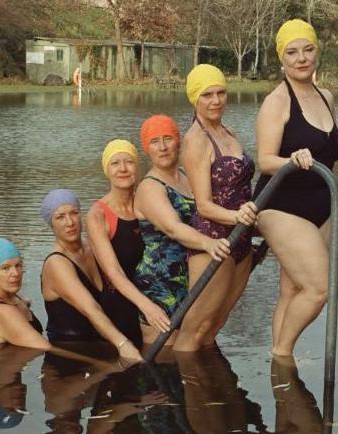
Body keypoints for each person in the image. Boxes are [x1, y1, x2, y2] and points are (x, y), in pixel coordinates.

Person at [253, 19, 338, 356]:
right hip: (282, 204)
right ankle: (282, 354)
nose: (301, 58)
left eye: (307, 50)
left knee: (293, 290)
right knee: (318, 289)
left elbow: (328, 144)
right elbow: (264, 160)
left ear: (316, 53)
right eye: (292, 52)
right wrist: (292, 158)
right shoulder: (277, 102)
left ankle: (281, 364)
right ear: (282, 59)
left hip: (321, 204)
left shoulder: (326, 97)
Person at [175, 64, 258, 352]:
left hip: (243, 238)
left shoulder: (229, 132)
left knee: (216, 324)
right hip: (215, 240)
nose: (216, 101)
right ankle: (179, 387)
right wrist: (237, 216)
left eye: (221, 93)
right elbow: (204, 205)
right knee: (195, 328)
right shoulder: (195, 141)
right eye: (207, 95)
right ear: (195, 99)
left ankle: (209, 389)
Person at [133, 115, 231, 344]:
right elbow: (174, 228)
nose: (163, 147)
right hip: (161, 284)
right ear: (147, 149)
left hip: (191, 275)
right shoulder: (149, 187)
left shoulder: (187, 177)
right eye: (155, 141)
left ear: (178, 141)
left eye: (168, 138)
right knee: (166, 354)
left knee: (195, 342)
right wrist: (209, 243)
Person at [40, 189, 143, 361]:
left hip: (102, 342)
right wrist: (123, 345)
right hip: (74, 352)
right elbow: (91, 309)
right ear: (51, 224)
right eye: (60, 217)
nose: (70, 222)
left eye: (74, 213)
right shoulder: (56, 264)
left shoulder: (92, 248)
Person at [86, 139, 171, 349]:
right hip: (121, 309)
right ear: (106, 170)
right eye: (115, 163)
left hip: (159, 299)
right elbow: (113, 271)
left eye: (129, 162)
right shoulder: (98, 215)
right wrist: (147, 307)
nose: (123, 169)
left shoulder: (149, 202)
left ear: (137, 166)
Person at [0, 237, 48, 350]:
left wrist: (25, 303)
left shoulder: (8, 296)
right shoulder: (4, 311)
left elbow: (21, 303)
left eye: (18, 265)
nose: (15, 273)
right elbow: (47, 348)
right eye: (5, 268)